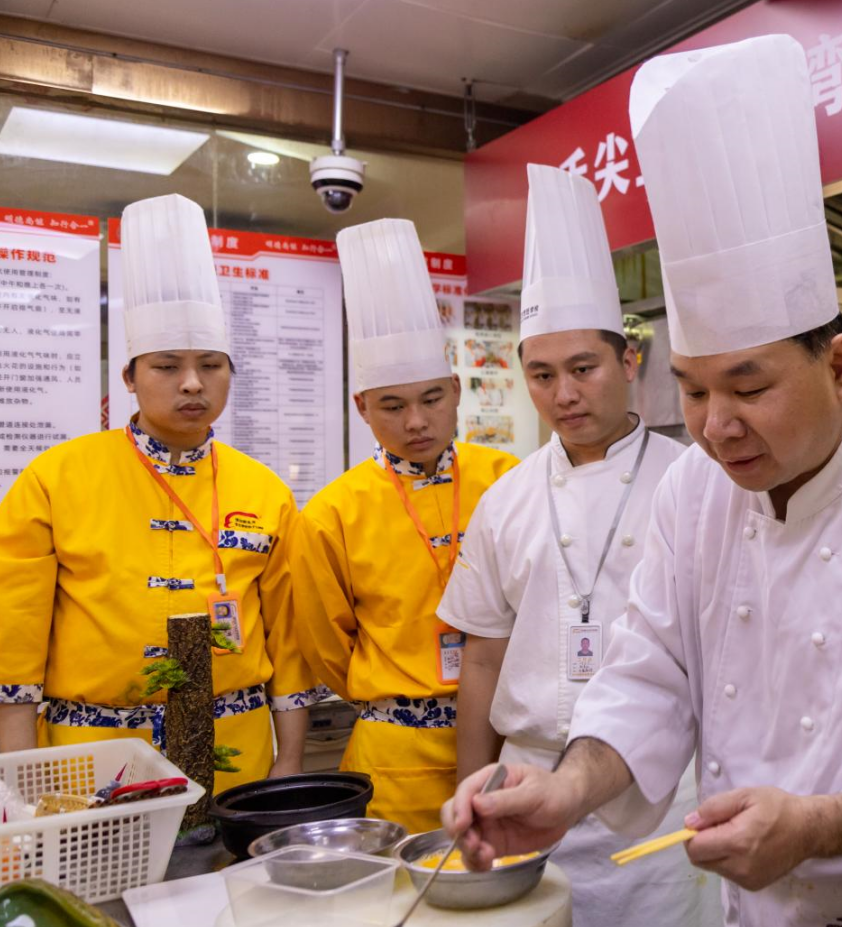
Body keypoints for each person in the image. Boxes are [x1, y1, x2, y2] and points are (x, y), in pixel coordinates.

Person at [444, 36, 842, 927]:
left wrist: (821, 823)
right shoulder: (694, 494)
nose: (714, 424)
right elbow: (649, 674)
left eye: (749, 386)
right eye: (693, 389)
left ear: (839, 362)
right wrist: (567, 786)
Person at [438, 164, 718, 927]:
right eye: (541, 375)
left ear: (629, 362)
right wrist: (473, 794)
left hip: (661, 795)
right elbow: (483, 659)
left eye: (583, 369)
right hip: (526, 790)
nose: (563, 394)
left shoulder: (700, 482)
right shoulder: (505, 499)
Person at [0, 193, 318, 788]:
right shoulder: (55, 478)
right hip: (92, 760)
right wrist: (16, 781)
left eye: (212, 364)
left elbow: (291, 640)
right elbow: (12, 643)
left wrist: (290, 759)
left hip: (237, 758)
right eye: (167, 365)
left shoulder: (263, 489)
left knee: (231, 882)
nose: (193, 383)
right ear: (129, 376)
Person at [291, 218, 516, 833]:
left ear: (456, 389)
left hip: (509, 744)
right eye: (392, 405)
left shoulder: (510, 480)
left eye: (431, 398)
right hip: (391, 757)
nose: (416, 421)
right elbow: (324, 644)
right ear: (362, 407)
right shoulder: (333, 512)